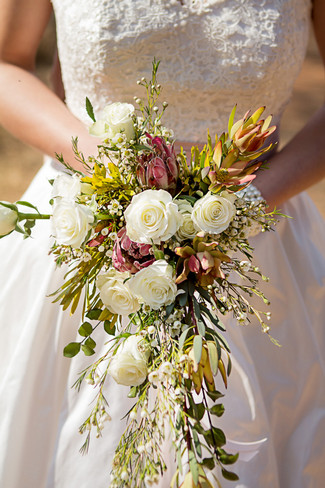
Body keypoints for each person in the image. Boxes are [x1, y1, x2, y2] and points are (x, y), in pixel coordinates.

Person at [0, 0, 324, 487]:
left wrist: (249, 204)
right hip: (87, 232)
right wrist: (104, 167)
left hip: (258, 248)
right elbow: (7, 63)